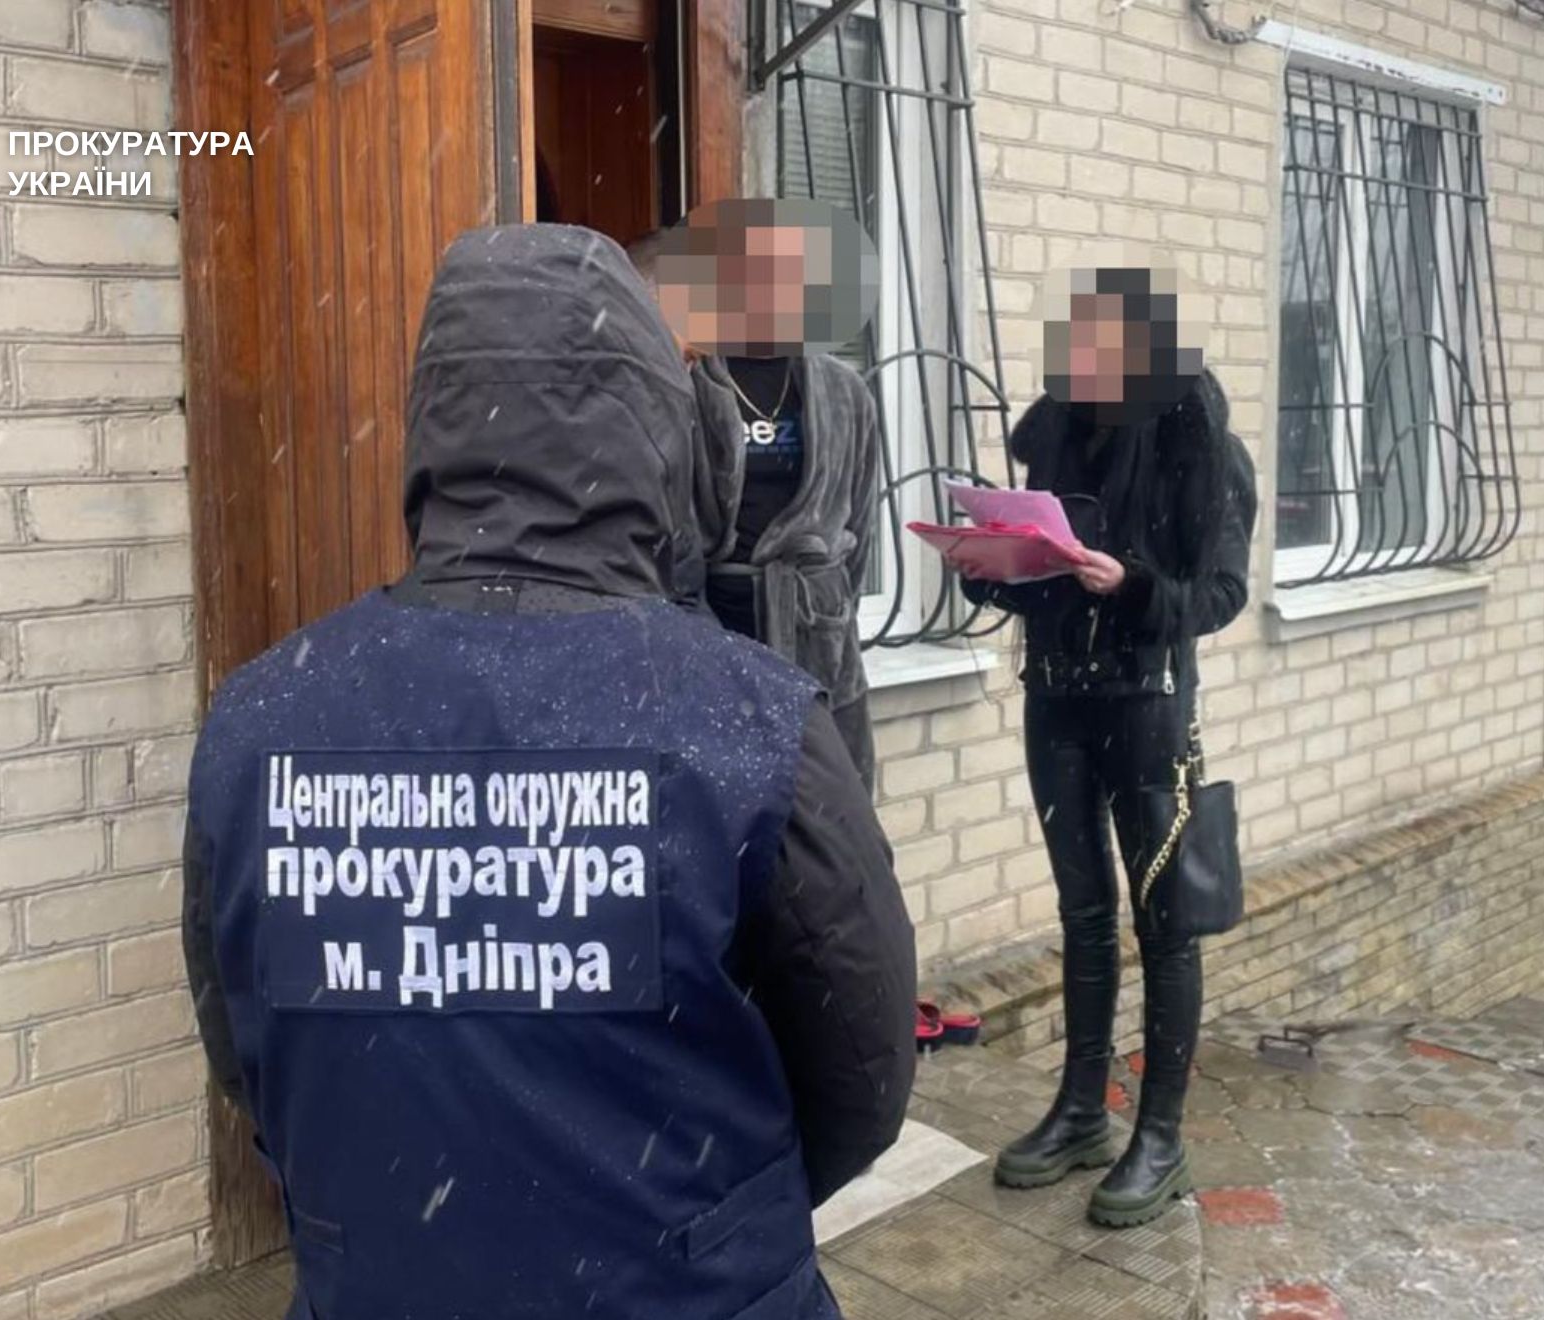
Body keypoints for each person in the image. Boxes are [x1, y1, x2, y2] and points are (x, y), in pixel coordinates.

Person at [181, 224, 916, 1320]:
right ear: (656, 432)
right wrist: (708, 1217)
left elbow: (244, 1056)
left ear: (431, 428)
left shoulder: (259, 721)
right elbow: (864, 1073)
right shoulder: (750, 720)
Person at [958, 266, 1256, 1229]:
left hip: (1149, 706)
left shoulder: (1202, 446)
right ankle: (1081, 1112)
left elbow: (1220, 596)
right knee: (1083, 911)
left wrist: (1130, 585)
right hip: (1056, 698)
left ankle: (1159, 1136)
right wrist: (990, 569)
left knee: (1165, 922)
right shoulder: (1055, 435)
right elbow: (1043, 567)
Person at [633, 201, 883, 792]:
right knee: (726, 814)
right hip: (715, 631)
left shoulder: (844, 392)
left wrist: (825, 610)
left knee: (833, 819)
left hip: (820, 645)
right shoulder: (688, 376)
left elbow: (859, 530)